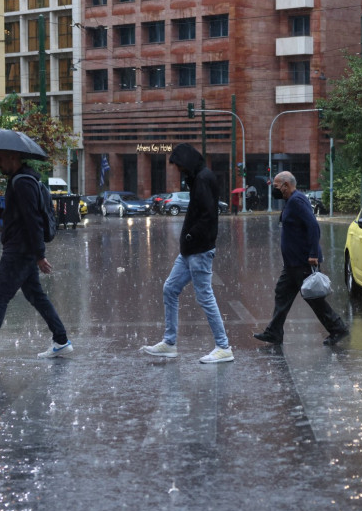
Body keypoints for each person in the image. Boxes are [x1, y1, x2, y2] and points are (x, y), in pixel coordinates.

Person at [0, 150, 72, 362]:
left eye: (0, 159)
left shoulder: (22, 183)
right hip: (23, 250)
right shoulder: (20, 180)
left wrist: (39, 255)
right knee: (36, 296)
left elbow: (32, 220)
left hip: (18, 251)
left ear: (12, 157)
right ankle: (61, 340)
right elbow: (16, 217)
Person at [141, 143, 233, 364]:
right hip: (190, 250)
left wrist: (192, 235)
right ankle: (169, 343)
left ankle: (223, 347)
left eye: (180, 167)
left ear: (188, 163)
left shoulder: (202, 179)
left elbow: (208, 215)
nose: (178, 171)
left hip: (199, 250)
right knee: (170, 289)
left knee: (205, 296)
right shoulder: (198, 178)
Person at [253, 172, 348, 346]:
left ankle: (338, 328)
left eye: (276, 186)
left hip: (302, 262)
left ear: (286, 185)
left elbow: (313, 225)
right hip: (292, 263)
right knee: (282, 294)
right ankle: (274, 332)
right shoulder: (291, 201)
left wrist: (313, 254)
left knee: (314, 299)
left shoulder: (297, 201)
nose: (274, 190)